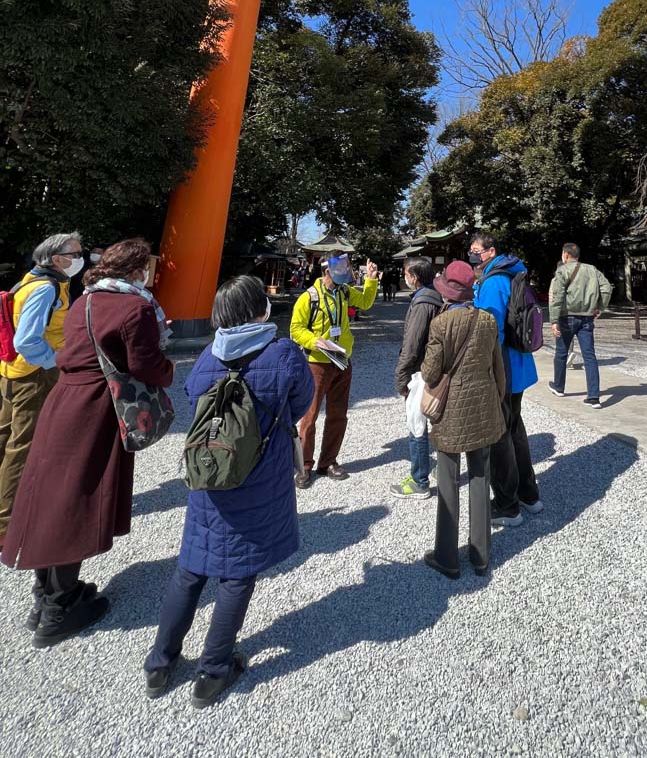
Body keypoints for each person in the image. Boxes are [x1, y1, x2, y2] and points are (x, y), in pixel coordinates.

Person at [145, 275, 313, 708]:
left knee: (191, 569)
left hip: (209, 476)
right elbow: (300, 403)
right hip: (259, 475)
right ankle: (213, 670)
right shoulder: (282, 353)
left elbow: (191, 397)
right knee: (237, 573)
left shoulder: (207, 357)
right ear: (260, 309)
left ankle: (160, 663)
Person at [1, 238, 174, 647]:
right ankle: (60, 606)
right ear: (135, 270)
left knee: (51, 493)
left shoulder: (84, 301)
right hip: (96, 407)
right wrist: (165, 367)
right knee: (77, 497)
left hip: (63, 399)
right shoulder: (136, 307)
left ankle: (46, 592)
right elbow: (146, 366)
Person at [420, 260, 506, 579]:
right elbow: (498, 368)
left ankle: (447, 556)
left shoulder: (441, 324)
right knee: (480, 475)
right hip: (483, 403)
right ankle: (481, 555)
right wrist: (497, 400)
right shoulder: (486, 320)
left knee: (448, 478)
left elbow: (429, 373)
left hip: (452, 408)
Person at [0, 232, 83, 546]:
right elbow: (27, 340)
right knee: (22, 446)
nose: (80, 258)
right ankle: (7, 524)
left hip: (13, 372)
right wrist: (55, 360)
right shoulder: (46, 289)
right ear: (57, 258)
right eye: (75, 253)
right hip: (34, 374)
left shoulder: (30, 281)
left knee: (7, 437)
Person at [469, 232, 541, 528]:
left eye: (476, 251)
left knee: (500, 435)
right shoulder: (514, 273)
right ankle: (529, 494)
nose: (472, 256)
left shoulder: (494, 280)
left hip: (503, 367)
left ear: (491, 251)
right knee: (515, 429)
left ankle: (507, 505)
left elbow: (490, 328)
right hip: (520, 363)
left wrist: (482, 367)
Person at [290, 254, 378, 486]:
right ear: (326, 271)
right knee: (309, 416)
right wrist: (313, 340)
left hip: (342, 361)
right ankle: (304, 466)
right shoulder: (309, 297)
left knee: (338, 414)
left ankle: (328, 461)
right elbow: (295, 329)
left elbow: (366, 302)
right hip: (317, 363)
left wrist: (371, 280)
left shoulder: (345, 292)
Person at [391, 256, 442, 500]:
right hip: (436, 369)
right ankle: (441, 469)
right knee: (436, 422)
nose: (405, 278)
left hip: (421, 371)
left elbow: (411, 346)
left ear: (415, 277)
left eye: (406, 274)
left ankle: (419, 480)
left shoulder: (422, 302)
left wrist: (401, 377)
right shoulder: (436, 296)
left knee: (417, 425)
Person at [548, 242, 613, 407]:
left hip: (567, 316)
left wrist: (554, 320)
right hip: (587, 317)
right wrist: (600, 306)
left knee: (561, 353)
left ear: (566, 254)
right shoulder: (592, 269)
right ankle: (594, 396)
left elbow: (558, 297)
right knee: (589, 355)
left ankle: (559, 386)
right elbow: (606, 287)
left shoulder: (562, 270)